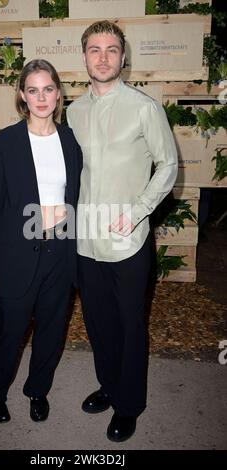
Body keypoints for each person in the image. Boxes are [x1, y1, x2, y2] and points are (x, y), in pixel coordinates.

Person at [67, 21, 178, 442]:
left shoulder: (145, 108)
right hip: (85, 241)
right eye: (94, 50)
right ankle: (109, 385)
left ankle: (129, 404)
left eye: (111, 50)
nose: (103, 57)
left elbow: (168, 165)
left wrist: (137, 211)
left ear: (123, 57)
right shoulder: (72, 111)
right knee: (98, 324)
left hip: (128, 240)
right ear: (84, 57)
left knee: (131, 326)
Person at [0, 59, 82, 424]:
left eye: (48, 89)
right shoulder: (3, 144)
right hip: (17, 253)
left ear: (58, 94)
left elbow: (76, 197)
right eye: (33, 90)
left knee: (51, 333)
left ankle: (37, 390)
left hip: (60, 250)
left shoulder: (70, 140)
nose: (41, 97)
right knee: (10, 332)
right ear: (23, 95)